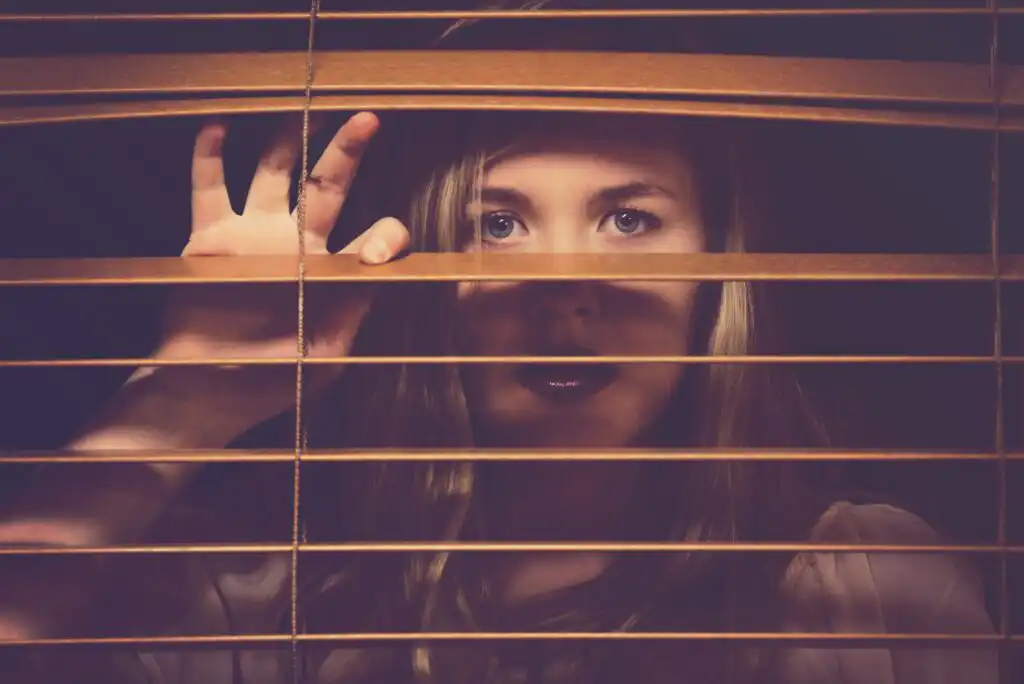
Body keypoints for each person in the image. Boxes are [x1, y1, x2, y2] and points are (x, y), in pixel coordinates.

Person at [0, 8, 1001, 684]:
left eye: (629, 221)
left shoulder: (862, 586)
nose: (563, 284)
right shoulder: (252, 586)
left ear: (714, 277)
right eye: (496, 224)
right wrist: (182, 401)